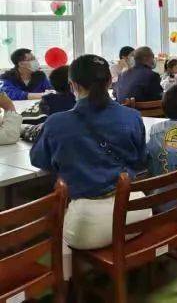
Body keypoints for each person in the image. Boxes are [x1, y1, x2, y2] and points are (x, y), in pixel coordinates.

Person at [30, 55, 150, 250]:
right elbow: (140, 159)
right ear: (110, 81)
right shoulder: (133, 117)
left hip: (87, 225)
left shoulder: (56, 123)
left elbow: (39, 160)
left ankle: (69, 278)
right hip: (137, 213)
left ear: (72, 85)